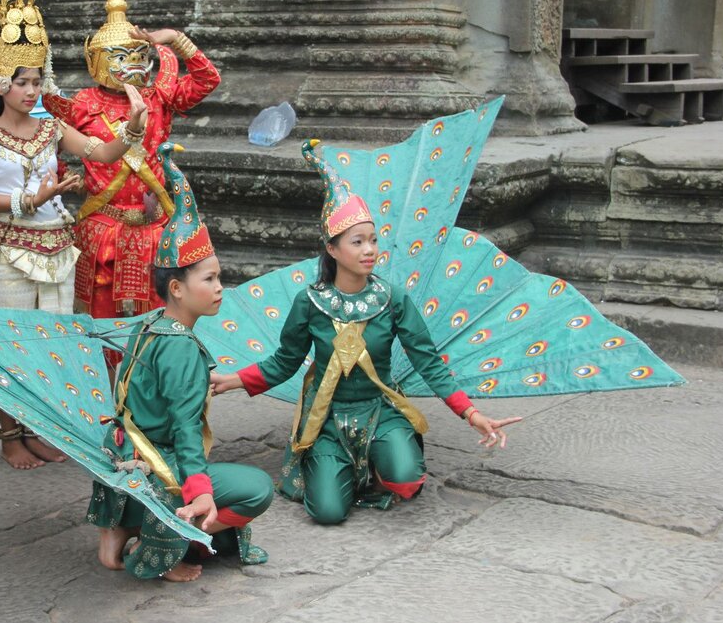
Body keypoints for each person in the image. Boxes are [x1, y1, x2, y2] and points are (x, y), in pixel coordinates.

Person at [210, 140, 520, 524]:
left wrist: (472, 414)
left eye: (373, 240)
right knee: (326, 513)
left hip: (379, 409)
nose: (369, 250)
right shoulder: (310, 303)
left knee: (406, 481)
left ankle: (379, 461)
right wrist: (233, 380)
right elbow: (284, 361)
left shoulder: (393, 299)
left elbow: (429, 362)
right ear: (333, 250)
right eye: (357, 242)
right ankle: (342, 467)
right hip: (328, 418)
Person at [0, 0, 149, 469]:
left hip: (57, 249)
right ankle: (9, 434)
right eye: (21, 82)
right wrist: (34, 197)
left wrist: (132, 128)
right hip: (8, 250)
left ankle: (42, 425)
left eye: (36, 80)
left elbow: (104, 152)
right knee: (11, 347)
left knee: (53, 345)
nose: (31, 90)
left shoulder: (52, 128)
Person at [88, 143, 273, 581]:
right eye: (209, 279)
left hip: (123, 458)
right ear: (176, 288)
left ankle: (122, 525)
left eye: (219, 277)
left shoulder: (149, 324)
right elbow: (186, 429)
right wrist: (200, 491)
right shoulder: (183, 348)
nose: (220, 287)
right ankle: (170, 542)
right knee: (257, 490)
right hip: (160, 465)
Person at [42, 0, 221, 369]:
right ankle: (111, 411)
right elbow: (47, 141)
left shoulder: (159, 95)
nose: (133, 66)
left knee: (160, 326)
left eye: (139, 56)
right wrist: (64, 179)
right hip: (102, 224)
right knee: (103, 329)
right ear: (98, 62)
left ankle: (152, 407)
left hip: (155, 225)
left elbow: (208, 79)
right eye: (120, 58)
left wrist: (174, 39)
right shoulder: (84, 103)